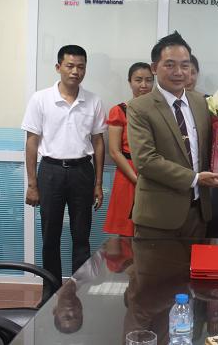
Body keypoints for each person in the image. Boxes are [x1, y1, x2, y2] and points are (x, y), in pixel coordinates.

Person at [22, 44, 106, 293]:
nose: (75, 71)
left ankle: (81, 292)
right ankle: (50, 291)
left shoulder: (93, 101)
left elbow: (98, 142)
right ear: (58, 67)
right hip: (50, 171)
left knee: (81, 236)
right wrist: (32, 184)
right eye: (70, 66)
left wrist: (98, 183)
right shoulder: (40, 99)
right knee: (50, 236)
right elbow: (31, 141)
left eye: (81, 67)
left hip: (82, 172)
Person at [127, 31, 218, 238]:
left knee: (195, 261)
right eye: (170, 65)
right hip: (158, 216)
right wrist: (195, 178)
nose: (179, 72)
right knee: (155, 262)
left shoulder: (200, 102)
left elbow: (207, 150)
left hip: (199, 213)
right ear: (154, 68)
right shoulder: (139, 107)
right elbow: (145, 161)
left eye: (185, 65)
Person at [103, 62, 154, 236]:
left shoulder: (160, 112)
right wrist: (136, 179)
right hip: (127, 173)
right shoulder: (120, 110)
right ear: (130, 82)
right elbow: (114, 151)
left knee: (152, 230)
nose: (144, 85)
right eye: (138, 80)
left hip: (154, 174)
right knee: (126, 234)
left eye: (148, 80)